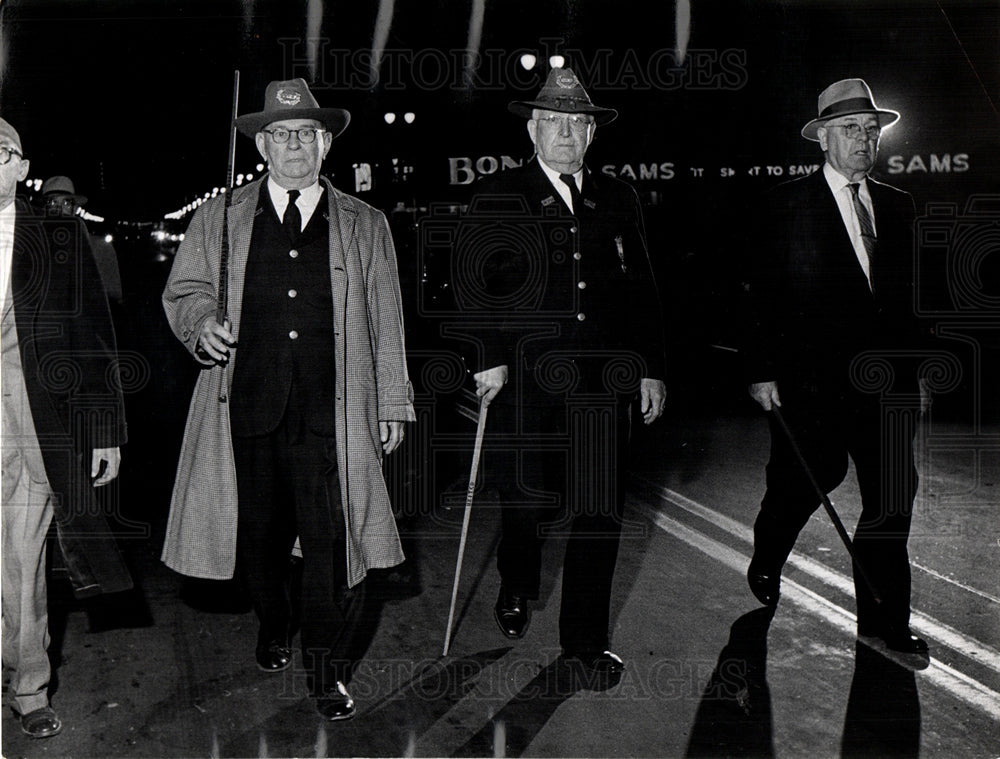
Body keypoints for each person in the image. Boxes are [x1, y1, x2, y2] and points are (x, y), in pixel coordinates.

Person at [162, 78, 414, 721]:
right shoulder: (219, 217)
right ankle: (273, 621)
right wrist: (200, 324)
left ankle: (326, 671)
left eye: (306, 133)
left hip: (334, 411)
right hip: (244, 405)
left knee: (332, 542)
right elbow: (184, 290)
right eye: (281, 134)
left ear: (325, 143)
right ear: (262, 146)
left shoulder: (366, 223)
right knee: (259, 541)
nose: (295, 144)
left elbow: (387, 317)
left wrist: (392, 401)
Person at [469, 68, 668, 674]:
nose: (565, 133)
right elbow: (476, 287)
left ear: (591, 135)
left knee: (599, 509)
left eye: (577, 123)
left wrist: (651, 368)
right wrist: (489, 358)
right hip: (527, 380)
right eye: (553, 121)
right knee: (526, 501)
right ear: (533, 129)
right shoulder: (500, 195)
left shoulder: (619, 197)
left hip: (603, 383)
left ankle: (582, 641)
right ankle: (516, 578)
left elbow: (643, 290)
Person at [743, 79, 930, 656]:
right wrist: (761, 370)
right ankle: (769, 552)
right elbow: (758, 295)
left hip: (887, 386)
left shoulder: (898, 207)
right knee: (804, 482)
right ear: (823, 137)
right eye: (851, 129)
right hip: (811, 384)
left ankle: (883, 621)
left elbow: (911, 301)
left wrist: (917, 374)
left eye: (872, 130)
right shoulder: (786, 206)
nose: (865, 139)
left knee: (892, 498)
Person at [1, 117, 131, 738]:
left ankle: (29, 687)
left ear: (22, 167)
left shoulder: (59, 236)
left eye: (1, 153)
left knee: (23, 559)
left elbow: (92, 337)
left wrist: (103, 428)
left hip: (33, 424)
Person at [40, 175, 123, 305]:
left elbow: (113, 298)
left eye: (66, 203)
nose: (59, 210)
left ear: (74, 209)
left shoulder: (99, 248)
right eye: (52, 203)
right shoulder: (34, 249)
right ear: (44, 210)